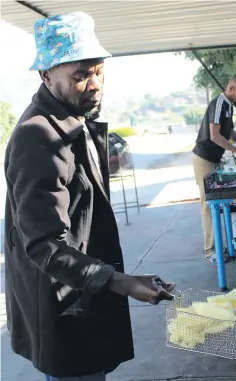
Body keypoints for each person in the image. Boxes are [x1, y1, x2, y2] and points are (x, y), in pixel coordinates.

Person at [3, 12, 174, 381]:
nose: (94, 84)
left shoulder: (71, 119)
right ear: (46, 75)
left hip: (81, 292)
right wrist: (120, 282)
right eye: (79, 76)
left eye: (98, 71)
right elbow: (44, 245)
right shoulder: (39, 136)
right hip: (64, 305)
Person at [192, 77, 236, 263]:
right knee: (208, 204)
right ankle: (210, 250)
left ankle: (220, 246)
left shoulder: (228, 106)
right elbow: (215, 136)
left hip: (214, 159)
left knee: (217, 203)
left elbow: (229, 133)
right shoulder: (218, 103)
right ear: (230, 88)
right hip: (204, 157)